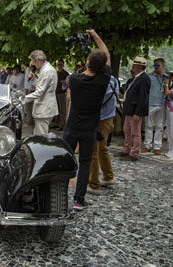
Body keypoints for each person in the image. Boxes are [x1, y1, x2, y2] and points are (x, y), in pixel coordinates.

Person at [63, 29, 111, 211]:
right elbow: (106, 54)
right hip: (90, 127)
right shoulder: (103, 80)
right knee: (85, 163)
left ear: (88, 62)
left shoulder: (75, 79)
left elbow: (69, 98)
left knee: (65, 158)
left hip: (73, 125)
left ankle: (59, 193)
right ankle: (78, 200)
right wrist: (96, 35)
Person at [87, 75, 119, 195]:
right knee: (102, 148)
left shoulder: (100, 81)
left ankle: (94, 184)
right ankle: (108, 176)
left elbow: (95, 100)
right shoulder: (114, 80)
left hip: (100, 118)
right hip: (109, 117)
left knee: (93, 150)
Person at [117, 57, 150, 161]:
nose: (132, 67)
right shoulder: (136, 78)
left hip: (135, 110)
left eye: (134, 65)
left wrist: (138, 112)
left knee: (135, 132)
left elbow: (143, 97)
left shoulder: (144, 78)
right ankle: (127, 149)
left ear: (140, 67)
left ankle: (134, 153)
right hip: (129, 109)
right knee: (126, 130)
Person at [23, 50, 58, 135]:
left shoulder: (46, 71)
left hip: (44, 109)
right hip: (45, 108)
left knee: (41, 139)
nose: (33, 64)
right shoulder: (47, 69)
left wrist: (22, 99)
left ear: (38, 60)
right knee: (39, 135)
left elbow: (39, 92)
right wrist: (34, 80)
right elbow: (42, 87)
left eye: (33, 62)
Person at [142, 58, 167, 155]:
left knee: (160, 127)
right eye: (155, 65)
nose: (156, 67)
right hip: (150, 104)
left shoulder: (166, 78)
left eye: (158, 65)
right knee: (148, 126)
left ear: (163, 66)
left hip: (162, 104)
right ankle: (147, 145)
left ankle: (157, 146)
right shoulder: (150, 77)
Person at [53, 59, 69, 131]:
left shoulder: (66, 73)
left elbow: (69, 83)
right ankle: (57, 123)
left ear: (63, 65)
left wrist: (65, 82)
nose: (59, 66)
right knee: (57, 109)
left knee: (62, 109)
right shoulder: (55, 73)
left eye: (61, 65)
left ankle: (62, 124)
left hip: (62, 93)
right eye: (58, 64)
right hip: (55, 93)